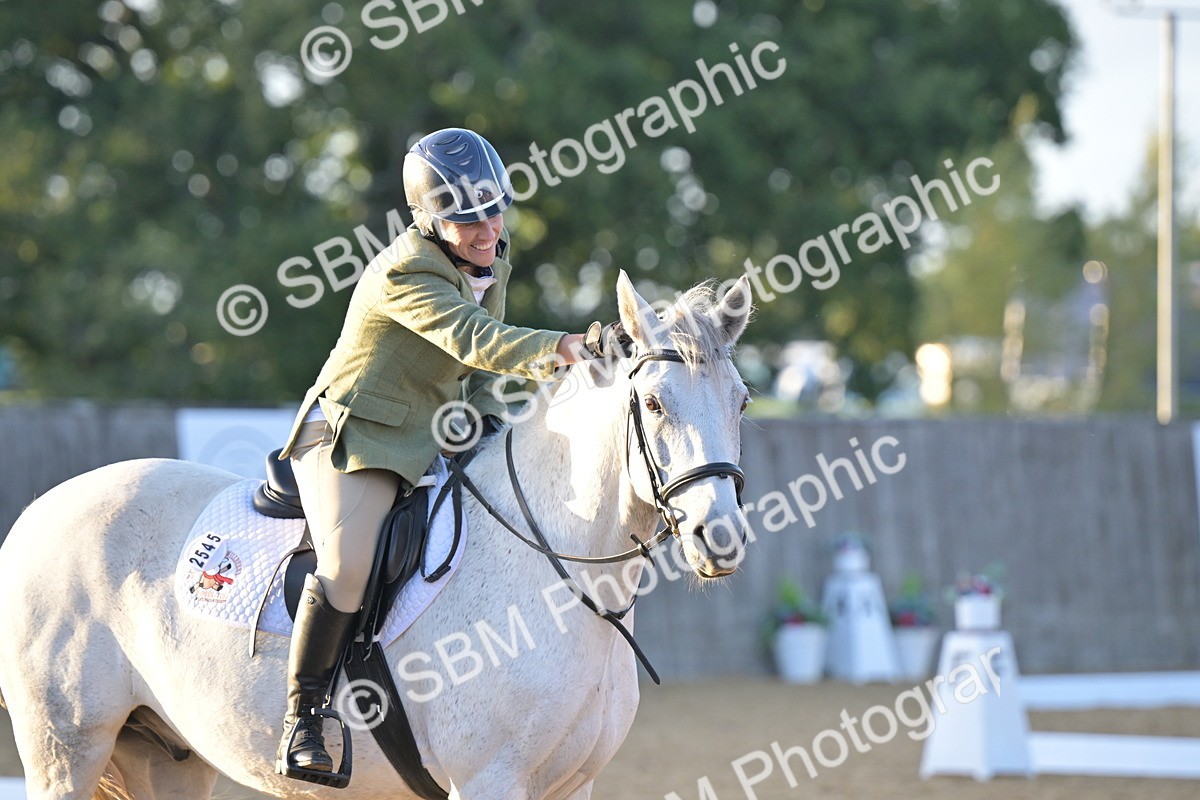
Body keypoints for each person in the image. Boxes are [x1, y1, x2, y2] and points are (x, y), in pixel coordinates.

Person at [272, 127, 626, 780]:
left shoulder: (489, 254)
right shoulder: (405, 271)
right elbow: (476, 339)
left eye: (495, 211)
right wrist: (564, 347)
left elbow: (477, 369)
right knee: (347, 566)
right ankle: (304, 717)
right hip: (356, 434)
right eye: (468, 220)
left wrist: (489, 422)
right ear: (429, 219)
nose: (488, 229)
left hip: (431, 429)